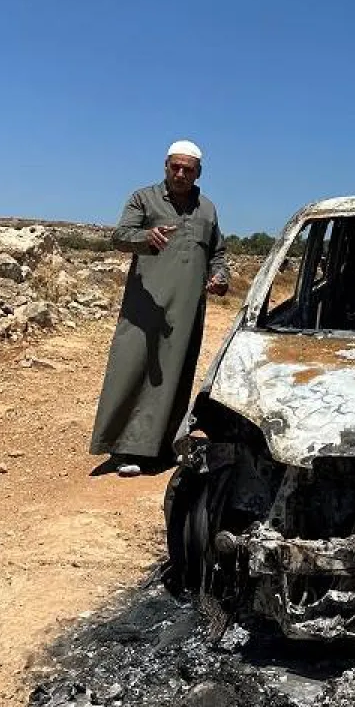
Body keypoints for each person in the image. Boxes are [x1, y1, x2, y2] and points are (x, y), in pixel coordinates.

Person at [89, 140, 228, 475]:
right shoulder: (143, 198)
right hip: (145, 306)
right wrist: (145, 237)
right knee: (133, 368)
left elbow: (218, 253)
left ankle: (167, 445)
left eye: (187, 169)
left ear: (198, 172)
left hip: (187, 308)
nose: (180, 174)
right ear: (165, 166)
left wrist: (221, 276)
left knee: (176, 374)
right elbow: (120, 236)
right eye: (174, 167)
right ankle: (127, 449)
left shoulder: (207, 209)